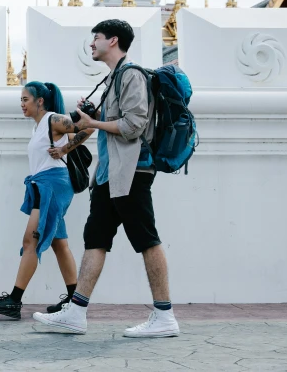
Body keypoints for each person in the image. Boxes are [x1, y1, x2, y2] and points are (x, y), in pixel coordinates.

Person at [33, 19, 180, 337]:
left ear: (113, 41)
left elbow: (133, 126)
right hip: (108, 175)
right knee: (95, 240)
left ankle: (165, 316)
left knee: (146, 240)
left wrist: (95, 123)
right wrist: (87, 126)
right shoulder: (112, 80)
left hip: (132, 172)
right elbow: (108, 123)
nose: (91, 43)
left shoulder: (132, 75)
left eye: (96, 38)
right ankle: (76, 313)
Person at [0, 81, 94, 319]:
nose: (22, 104)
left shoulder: (53, 119)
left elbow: (88, 127)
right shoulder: (40, 126)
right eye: (21, 100)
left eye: (25, 99)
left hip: (52, 184)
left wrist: (64, 150)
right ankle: (75, 301)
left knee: (30, 241)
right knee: (59, 244)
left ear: (39, 101)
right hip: (43, 184)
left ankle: (14, 300)